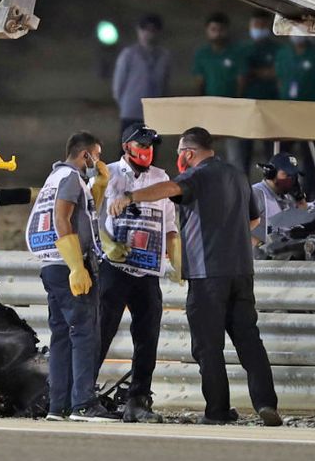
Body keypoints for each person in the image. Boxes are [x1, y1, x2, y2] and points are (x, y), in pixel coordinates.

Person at [109, 127, 282, 426]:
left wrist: (130, 196)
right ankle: (266, 403)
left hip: (207, 274)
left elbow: (169, 189)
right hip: (241, 271)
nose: (178, 157)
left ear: (189, 152)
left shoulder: (196, 176)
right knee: (249, 341)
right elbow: (253, 218)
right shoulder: (238, 176)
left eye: (179, 151)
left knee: (207, 345)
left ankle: (217, 410)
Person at [26, 132, 116, 421]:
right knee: (84, 334)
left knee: (63, 336)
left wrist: (99, 185)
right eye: (97, 155)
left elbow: (85, 214)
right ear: (86, 155)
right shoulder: (70, 178)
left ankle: (58, 405)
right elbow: (62, 218)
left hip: (52, 266)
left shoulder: (54, 179)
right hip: (69, 265)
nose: (99, 161)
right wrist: (77, 267)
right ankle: (84, 404)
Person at [94, 124, 182, 423]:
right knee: (101, 330)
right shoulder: (108, 174)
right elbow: (92, 216)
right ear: (126, 147)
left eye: (151, 147)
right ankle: (80, 394)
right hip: (115, 268)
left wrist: (179, 262)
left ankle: (139, 399)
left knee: (147, 337)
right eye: (141, 146)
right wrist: (107, 245)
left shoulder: (161, 178)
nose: (147, 152)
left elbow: (170, 226)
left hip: (148, 271)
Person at [236, 10, 282, 172]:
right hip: (247, 105)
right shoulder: (244, 49)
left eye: (262, 26)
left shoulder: (277, 49)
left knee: (271, 151)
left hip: (271, 105)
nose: (259, 29)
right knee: (243, 152)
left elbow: (278, 73)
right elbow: (242, 76)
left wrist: (256, 72)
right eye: (256, 25)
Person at [111, 13, 171, 134]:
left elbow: (165, 84)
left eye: (153, 30)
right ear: (138, 30)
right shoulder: (128, 54)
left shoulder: (164, 56)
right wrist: (124, 105)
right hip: (131, 110)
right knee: (128, 149)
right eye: (145, 29)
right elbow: (118, 85)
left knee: (150, 150)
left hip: (153, 111)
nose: (148, 34)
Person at [251, 152, 305, 254]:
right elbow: (235, 225)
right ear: (271, 174)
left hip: (282, 257)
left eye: (294, 176)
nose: (291, 179)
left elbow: (304, 221)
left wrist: (299, 197)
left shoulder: (287, 196)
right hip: (258, 261)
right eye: (287, 175)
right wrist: (259, 246)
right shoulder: (257, 193)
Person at [192, 12, 240, 97]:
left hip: (232, 103)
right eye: (213, 29)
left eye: (221, 29)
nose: (217, 34)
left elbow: (241, 81)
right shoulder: (201, 54)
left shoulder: (236, 53)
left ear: (227, 30)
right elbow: (199, 82)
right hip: (208, 102)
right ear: (206, 30)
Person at [275, 35, 315, 102]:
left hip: (310, 103)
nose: (296, 35)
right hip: (286, 103)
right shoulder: (283, 53)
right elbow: (279, 79)